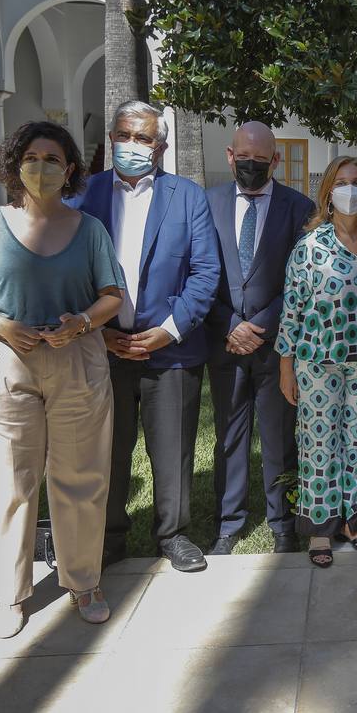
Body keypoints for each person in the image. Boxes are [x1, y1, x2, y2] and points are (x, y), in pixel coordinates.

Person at [0, 120, 125, 638]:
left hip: (77, 361)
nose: (41, 168)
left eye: (53, 159)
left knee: (81, 478)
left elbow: (111, 295)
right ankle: (11, 592)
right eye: (32, 157)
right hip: (7, 363)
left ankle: (83, 581)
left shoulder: (89, 228)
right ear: (14, 163)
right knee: (10, 482)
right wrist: (2, 325)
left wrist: (83, 322)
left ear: (70, 169)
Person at [69, 101, 220, 573]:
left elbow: (205, 271)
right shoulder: (85, 194)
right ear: (111, 137)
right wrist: (99, 331)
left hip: (170, 350)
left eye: (145, 139)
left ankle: (173, 533)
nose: (132, 146)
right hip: (103, 350)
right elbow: (67, 270)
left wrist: (167, 332)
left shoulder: (187, 196)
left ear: (161, 147)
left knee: (172, 447)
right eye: (124, 135)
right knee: (107, 447)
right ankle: (110, 534)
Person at [276, 156, 357, 567]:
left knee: (356, 443)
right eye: (342, 182)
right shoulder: (309, 246)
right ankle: (319, 529)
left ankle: (350, 518)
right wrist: (286, 368)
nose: (350, 189)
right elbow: (291, 312)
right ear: (328, 193)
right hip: (317, 363)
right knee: (318, 445)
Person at [206, 122, 314, 555]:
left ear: (276, 160)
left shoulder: (299, 207)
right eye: (243, 157)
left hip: (277, 347)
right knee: (229, 436)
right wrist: (230, 324)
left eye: (260, 159)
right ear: (230, 156)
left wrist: (262, 324)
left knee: (278, 437)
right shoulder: (207, 203)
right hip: (224, 340)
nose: (251, 165)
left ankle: (282, 523)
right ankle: (229, 524)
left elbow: (301, 281)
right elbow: (200, 271)